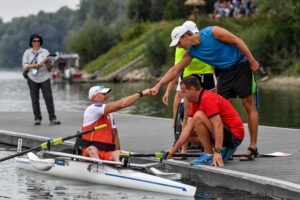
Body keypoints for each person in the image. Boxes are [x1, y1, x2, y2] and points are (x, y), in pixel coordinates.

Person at [151, 24, 259, 161]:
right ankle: (228, 146)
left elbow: (237, 40)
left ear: (186, 37)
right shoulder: (192, 52)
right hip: (224, 73)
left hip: (240, 65)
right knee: (223, 108)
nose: (178, 47)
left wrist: (252, 61)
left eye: (179, 43)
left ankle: (252, 147)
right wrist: (158, 85)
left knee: (248, 104)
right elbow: (175, 69)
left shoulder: (212, 32)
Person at [162, 21, 216, 157]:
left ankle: (211, 145)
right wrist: (168, 90)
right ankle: (183, 147)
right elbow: (176, 70)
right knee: (186, 112)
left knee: (211, 111)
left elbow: (214, 63)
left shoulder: (202, 42)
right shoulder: (180, 48)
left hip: (207, 75)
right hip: (188, 76)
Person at [166, 76, 244, 167]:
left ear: (192, 89)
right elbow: (187, 128)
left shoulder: (207, 98)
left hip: (234, 135)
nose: (183, 95)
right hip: (225, 133)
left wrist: (217, 152)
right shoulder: (195, 101)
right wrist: (172, 151)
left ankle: (212, 153)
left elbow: (218, 125)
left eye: (184, 92)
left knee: (198, 116)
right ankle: (223, 149)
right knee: (189, 136)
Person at [81, 85, 151, 162]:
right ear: (94, 97)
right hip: (89, 153)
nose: (107, 96)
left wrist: (118, 152)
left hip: (106, 154)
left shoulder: (109, 114)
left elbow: (115, 134)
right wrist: (141, 94)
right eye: (103, 94)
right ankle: (98, 166)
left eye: (107, 94)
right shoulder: (92, 109)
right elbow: (121, 104)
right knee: (92, 149)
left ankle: (117, 166)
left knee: (117, 153)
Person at [22, 34, 60, 125]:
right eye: (34, 41)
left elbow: (51, 68)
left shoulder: (45, 52)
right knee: (35, 98)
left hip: (45, 77)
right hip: (32, 77)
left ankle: (52, 118)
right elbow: (24, 66)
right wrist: (35, 65)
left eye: (38, 41)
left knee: (48, 97)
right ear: (31, 42)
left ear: (40, 42)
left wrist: (47, 62)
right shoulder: (27, 52)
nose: (36, 42)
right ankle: (37, 118)